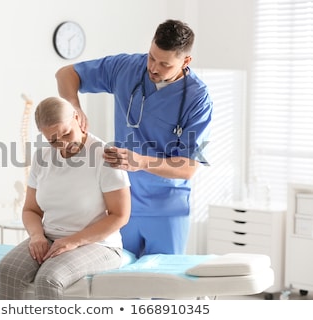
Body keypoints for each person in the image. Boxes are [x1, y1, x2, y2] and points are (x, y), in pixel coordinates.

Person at [55, 19, 213, 257]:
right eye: (151, 57)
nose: (153, 68)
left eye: (164, 64)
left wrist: (141, 162)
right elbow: (66, 74)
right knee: (120, 286)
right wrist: (74, 106)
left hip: (166, 209)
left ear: (186, 61)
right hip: (121, 204)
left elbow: (189, 167)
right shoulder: (127, 67)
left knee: (164, 286)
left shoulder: (198, 100)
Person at [0, 96, 131, 300]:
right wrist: (37, 236)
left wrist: (73, 241)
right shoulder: (42, 157)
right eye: (53, 140)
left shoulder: (104, 156)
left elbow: (120, 215)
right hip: (50, 237)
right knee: (6, 271)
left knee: (48, 278)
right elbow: (31, 210)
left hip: (99, 244)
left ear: (77, 118)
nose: (63, 144)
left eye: (67, 133)